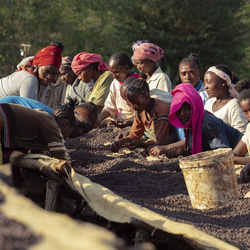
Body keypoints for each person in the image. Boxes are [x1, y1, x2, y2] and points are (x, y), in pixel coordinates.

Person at [149, 83, 242, 158]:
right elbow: (198, 151)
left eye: (187, 108)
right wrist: (182, 153)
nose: (182, 113)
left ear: (195, 105)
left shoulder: (208, 124)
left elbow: (222, 154)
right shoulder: (191, 125)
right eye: (179, 110)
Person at [0, 103, 98, 165]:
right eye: (80, 126)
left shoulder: (44, 125)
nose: (80, 133)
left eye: (85, 132)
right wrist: (72, 167)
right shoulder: (51, 125)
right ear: (66, 122)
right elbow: (61, 155)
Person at [110, 78, 178, 152]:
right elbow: (134, 135)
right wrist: (120, 142)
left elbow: (161, 143)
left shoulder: (160, 110)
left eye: (135, 103)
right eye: (131, 103)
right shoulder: (140, 110)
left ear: (146, 96)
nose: (132, 107)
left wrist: (141, 144)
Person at [97, 52, 139, 127]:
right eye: (112, 73)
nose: (114, 76)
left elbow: (141, 112)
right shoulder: (115, 83)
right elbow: (110, 106)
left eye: (116, 72)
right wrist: (99, 118)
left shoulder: (138, 82)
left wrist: (128, 122)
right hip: (120, 122)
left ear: (126, 68)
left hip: (136, 124)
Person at [204, 65, 247, 134]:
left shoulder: (234, 105)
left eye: (208, 82)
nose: (205, 87)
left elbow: (241, 134)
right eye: (205, 83)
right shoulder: (209, 103)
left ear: (223, 82)